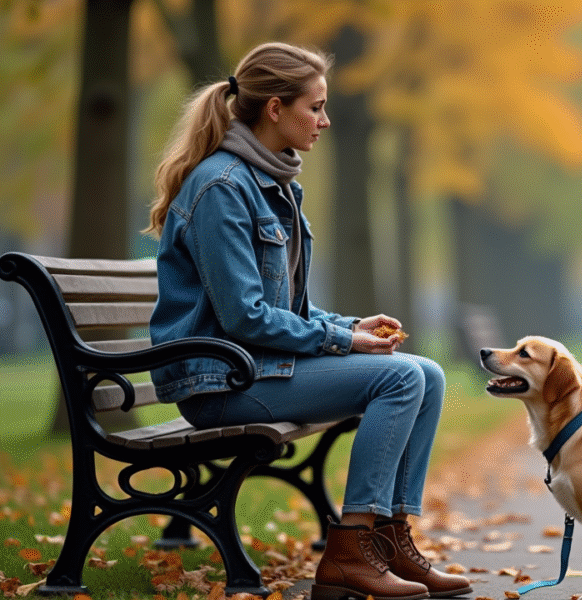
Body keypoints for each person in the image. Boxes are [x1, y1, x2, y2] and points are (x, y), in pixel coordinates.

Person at [143, 42, 471, 600]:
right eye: (315, 107)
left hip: (256, 369)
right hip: (221, 382)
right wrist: (343, 342)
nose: (324, 120)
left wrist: (352, 325)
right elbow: (244, 317)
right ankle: (351, 552)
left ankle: (390, 542)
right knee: (401, 378)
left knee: (429, 375)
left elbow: (281, 307)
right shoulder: (223, 188)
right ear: (275, 109)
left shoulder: (275, 184)